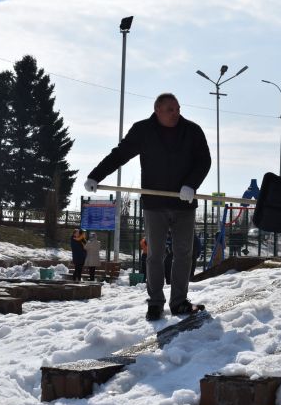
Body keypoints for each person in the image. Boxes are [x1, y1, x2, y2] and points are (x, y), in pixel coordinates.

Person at [84, 92, 212, 321]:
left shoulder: (192, 131)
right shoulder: (143, 130)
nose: (176, 113)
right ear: (157, 111)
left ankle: (179, 302)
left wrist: (191, 185)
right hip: (155, 204)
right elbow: (120, 155)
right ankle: (155, 304)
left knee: (184, 253)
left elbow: (204, 160)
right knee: (154, 254)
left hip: (184, 204)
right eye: (170, 110)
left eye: (178, 108)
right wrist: (95, 175)